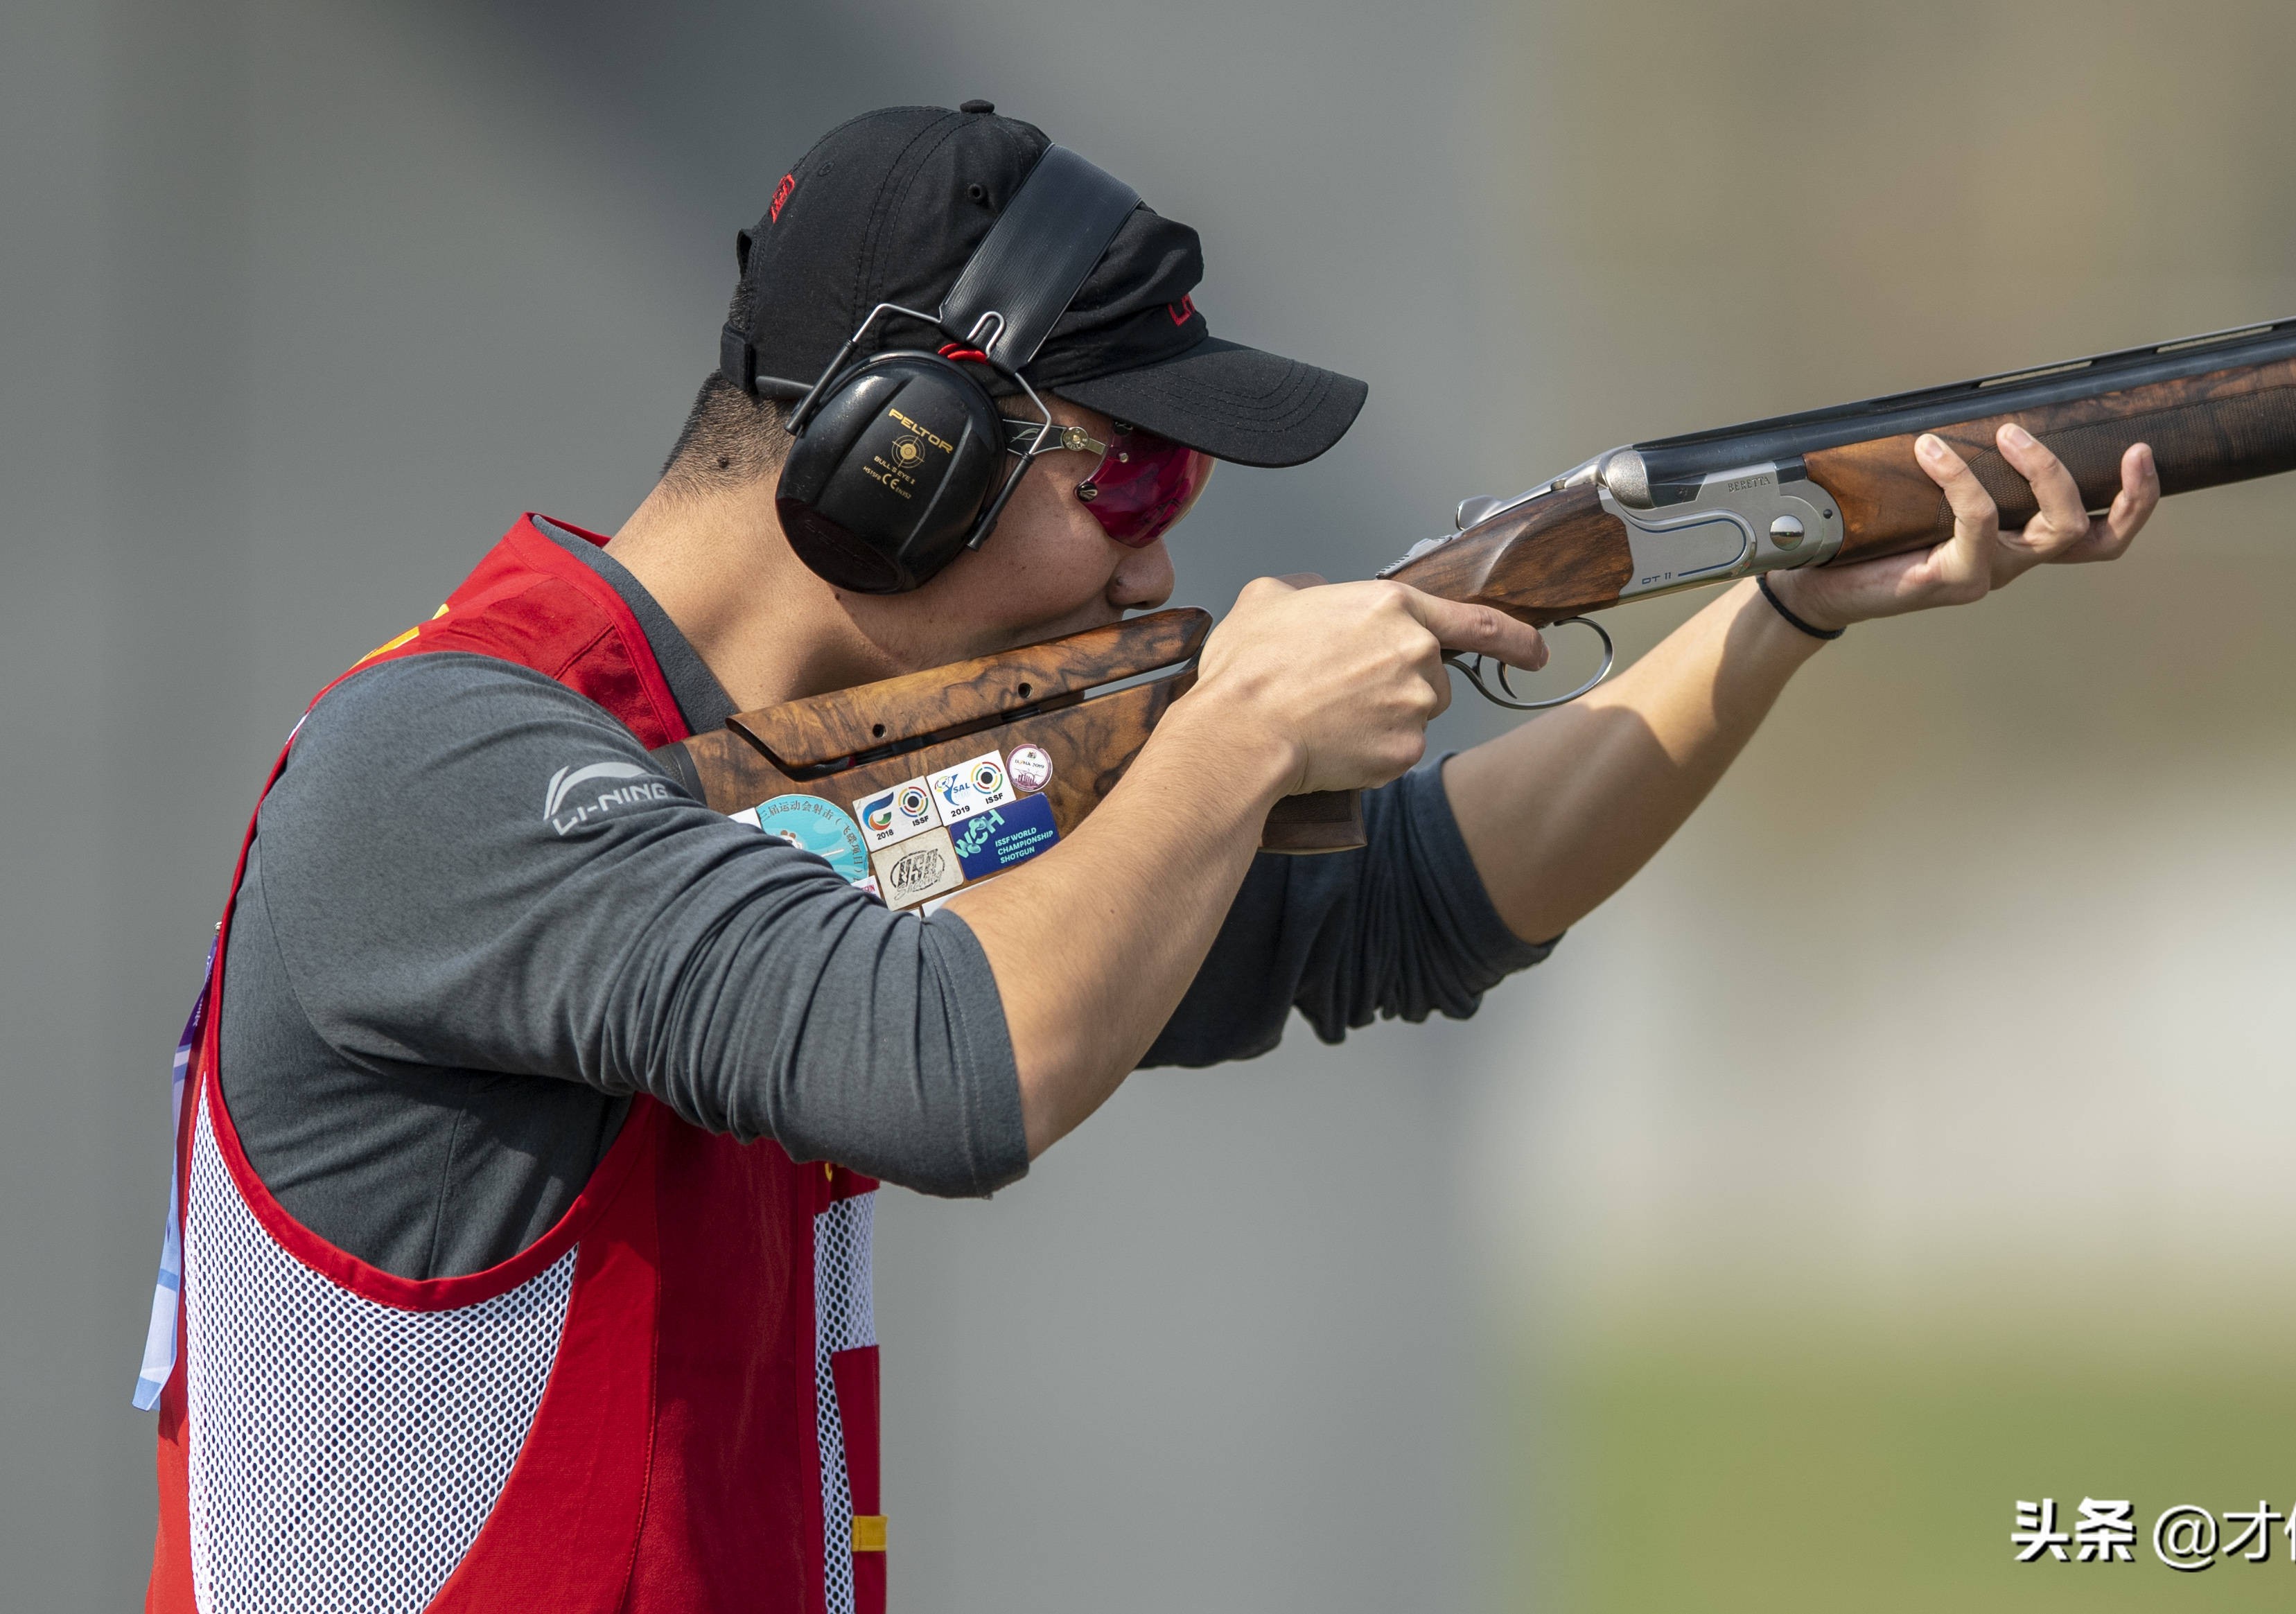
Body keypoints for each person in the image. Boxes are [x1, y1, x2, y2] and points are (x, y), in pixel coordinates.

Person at [139, 103, 2157, 1613]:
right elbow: (947, 1067)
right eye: (1129, 469)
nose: (1158, 551)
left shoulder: (730, 802)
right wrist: (1235, 738)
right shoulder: (456, 767)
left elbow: (1399, 912)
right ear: (895, 451)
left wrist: (1781, 607)